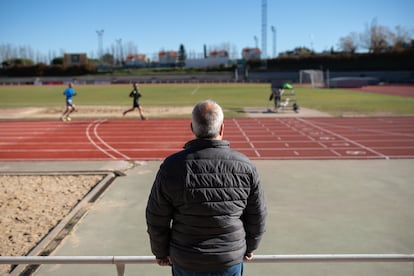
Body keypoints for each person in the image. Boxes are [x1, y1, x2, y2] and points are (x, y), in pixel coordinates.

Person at [146, 100, 267, 276]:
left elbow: (156, 216)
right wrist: (249, 247)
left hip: (186, 260)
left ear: (192, 128)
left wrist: (160, 252)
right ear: (222, 128)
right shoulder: (245, 166)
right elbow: (257, 214)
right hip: (228, 260)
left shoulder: (172, 166)